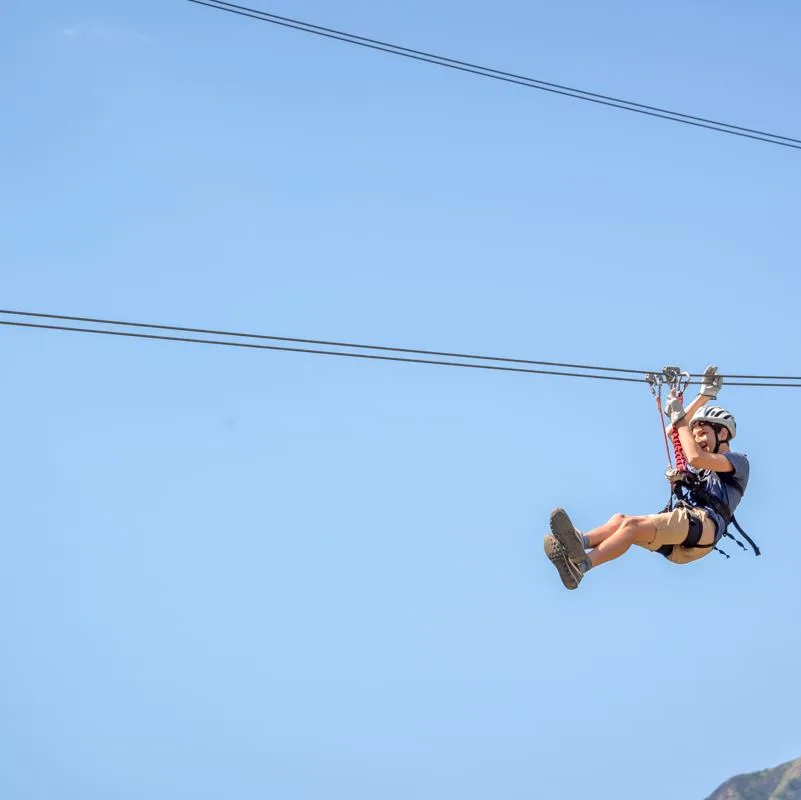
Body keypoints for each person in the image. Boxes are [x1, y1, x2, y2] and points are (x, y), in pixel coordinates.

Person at [544, 366, 750, 590]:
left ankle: (581, 566)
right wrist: (703, 397)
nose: (698, 438)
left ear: (722, 434)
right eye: (696, 434)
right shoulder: (704, 466)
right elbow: (675, 432)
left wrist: (680, 416)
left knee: (632, 526)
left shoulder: (737, 462)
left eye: (703, 433)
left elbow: (693, 456)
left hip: (701, 527)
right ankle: (580, 542)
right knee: (621, 520)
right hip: (686, 536)